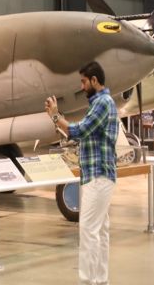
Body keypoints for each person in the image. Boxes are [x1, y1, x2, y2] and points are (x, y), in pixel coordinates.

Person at [45, 61, 118, 285]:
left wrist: (56, 117)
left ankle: (87, 281)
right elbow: (83, 132)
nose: (82, 86)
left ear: (94, 81)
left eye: (84, 81)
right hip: (98, 176)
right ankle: (100, 280)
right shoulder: (102, 103)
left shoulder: (103, 103)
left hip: (98, 177)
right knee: (100, 231)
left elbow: (80, 130)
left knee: (88, 232)